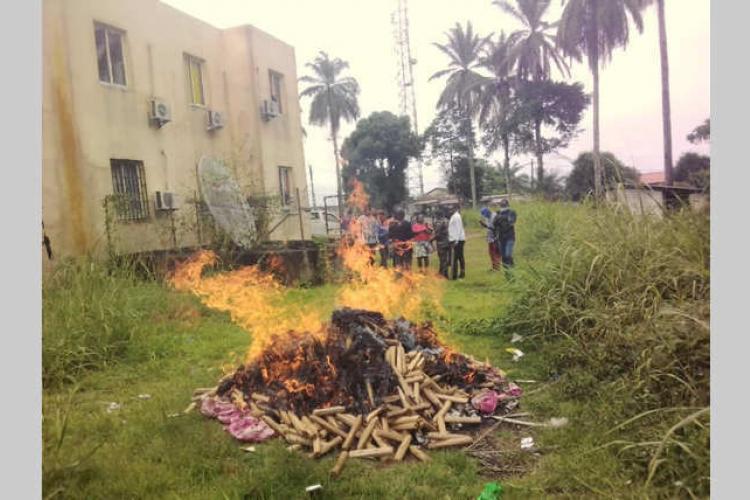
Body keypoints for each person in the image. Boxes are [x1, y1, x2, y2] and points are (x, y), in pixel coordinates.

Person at [493, 198, 517, 273]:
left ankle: (513, 271)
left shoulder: (511, 212)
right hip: (501, 238)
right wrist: (501, 218)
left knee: (508, 255)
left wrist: (500, 218)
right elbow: (495, 223)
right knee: (503, 257)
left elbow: (511, 222)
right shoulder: (498, 213)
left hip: (510, 237)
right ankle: (508, 273)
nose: (503, 207)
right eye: (502, 205)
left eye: (504, 205)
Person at [479, 207, 501, 271]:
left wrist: (485, 226)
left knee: (496, 253)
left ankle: (497, 268)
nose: (484, 216)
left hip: (495, 237)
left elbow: (496, 228)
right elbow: (489, 227)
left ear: (488, 212)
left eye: (485, 214)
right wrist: (484, 225)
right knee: (491, 253)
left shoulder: (494, 216)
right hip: (490, 238)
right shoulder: (487, 217)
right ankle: (493, 267)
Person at [448, 204, 466, 279]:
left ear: (455, 208)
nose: (450, 210)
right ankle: (459, 274)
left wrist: (456, 240)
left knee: (456, 258)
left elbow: (458, 229)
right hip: (455, 239)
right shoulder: (454, 216)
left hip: (457, 240)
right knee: (458, 257)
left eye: (451, 209)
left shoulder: (457, 216)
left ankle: (456, 275)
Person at [432, 209, 451, 278]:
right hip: (447, 241)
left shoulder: (439, 222)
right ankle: (441, 272)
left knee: (443, 259)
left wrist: (431, 240)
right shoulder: (447, 220)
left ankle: (445, 274)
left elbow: (438, 234)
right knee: (444, 258)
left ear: (437, 215)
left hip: (441, 243)